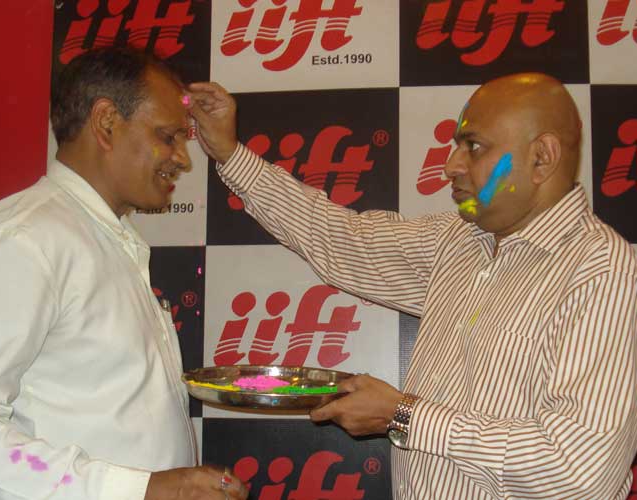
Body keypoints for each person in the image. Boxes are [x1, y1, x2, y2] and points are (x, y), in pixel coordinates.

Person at [187, 73, 637, 499]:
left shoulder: (602, 271)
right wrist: (231, 155)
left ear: (542, 157)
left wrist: (404, 415)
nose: (450, 165)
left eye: (473, 146)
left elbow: (581, 471)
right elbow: (341, 239)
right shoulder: (460, 241)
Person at [0, 47, 247, 500]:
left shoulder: (109, 239)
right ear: (105, 123)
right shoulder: (23, 239)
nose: (183, 159)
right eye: (168, 136)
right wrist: (143, 490)